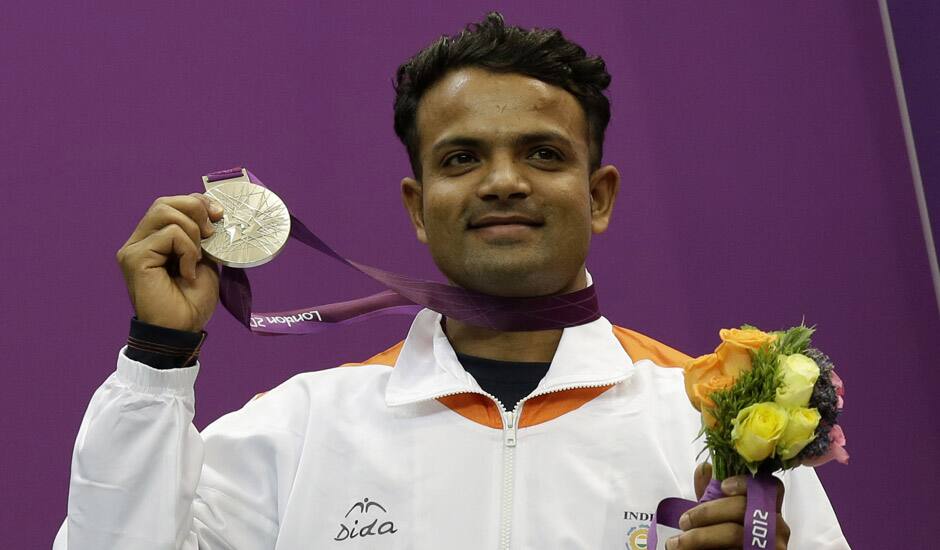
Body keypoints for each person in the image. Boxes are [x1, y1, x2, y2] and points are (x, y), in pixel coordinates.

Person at [54, 12, 849, 550]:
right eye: (461, 158)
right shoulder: (298, 433)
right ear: (418, 208)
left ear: (598, 195)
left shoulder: (710, 423)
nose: (502, 182)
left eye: (543, 153)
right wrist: (158, 360)